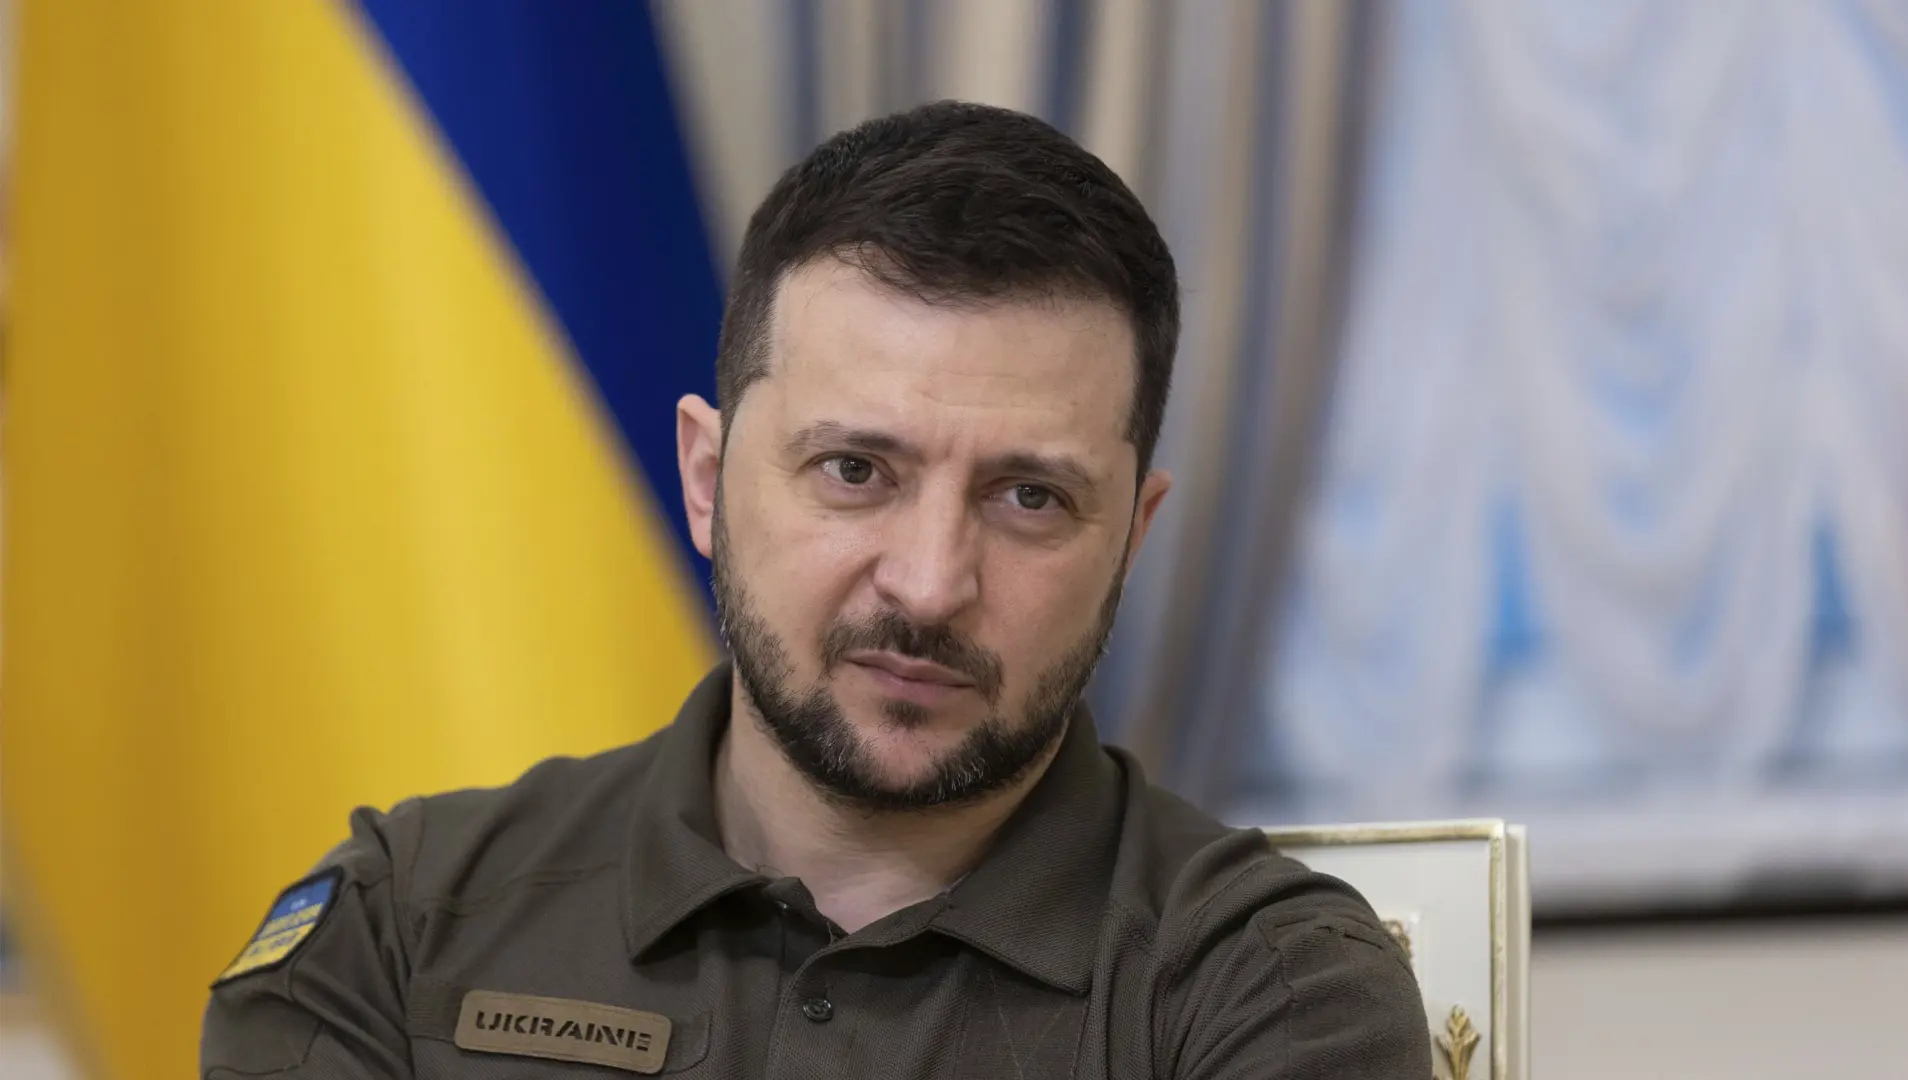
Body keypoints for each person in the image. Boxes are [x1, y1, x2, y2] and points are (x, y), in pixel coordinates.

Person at [202, 100, 1428, 1079]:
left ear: (1132, 536)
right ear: (707, 478)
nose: (930, 585)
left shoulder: (1273, 992)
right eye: (855, 471)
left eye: (1029, 497)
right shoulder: (398, 927)